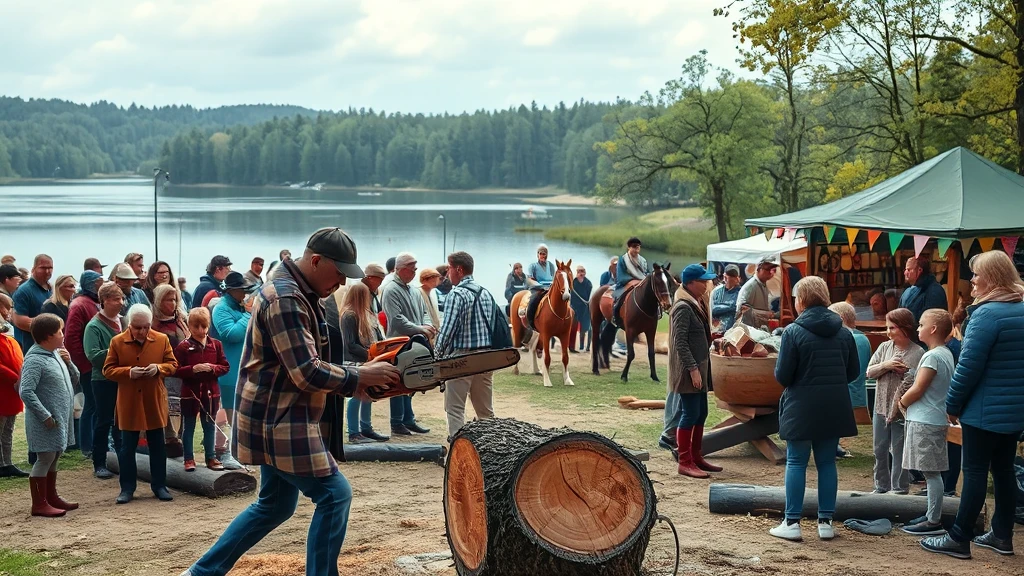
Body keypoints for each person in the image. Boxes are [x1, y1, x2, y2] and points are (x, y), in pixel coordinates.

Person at [180, 228, 400, 576]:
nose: (343, 282)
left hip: (276, 415)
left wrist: (357, 380)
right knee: (334, 495)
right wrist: (359, 377)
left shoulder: (298, 290)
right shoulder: (286, 298)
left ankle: (201, 573)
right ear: (316, 261)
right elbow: (306, 372)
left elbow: (307, 363)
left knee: (274, 505)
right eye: (339, 272)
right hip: (278, 419)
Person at [922, 251, 1024, 559]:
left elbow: (968, 367)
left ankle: (959, 537)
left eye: (977, 274)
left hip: (983, 409)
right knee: (1004, 471)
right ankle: (1002, 536)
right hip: (1015, 409)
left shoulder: (986, 315)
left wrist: (952, 403)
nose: (973, 281)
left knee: (975, 471)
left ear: (992, 278)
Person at [769, 277, 860, 542]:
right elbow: (853, 371)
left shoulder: (793, 332)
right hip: (834, 404)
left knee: (796, 461)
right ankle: (826, 523)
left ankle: (792, 522)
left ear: (802, 300)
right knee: (827, 462)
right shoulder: (844, 332)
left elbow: (783, 376)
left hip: (802, 405)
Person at [102, 303, 179, 504]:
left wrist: (159, 369)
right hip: (129, 401)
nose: (143, 331)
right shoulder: (117, 342)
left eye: (146, 327)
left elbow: (172, 365)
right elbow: (107, 370)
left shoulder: (161, 339)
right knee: (127, 447)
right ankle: (127, 488)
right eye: (137, 327)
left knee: (158, 446)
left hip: (154, 399)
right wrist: (129, 372)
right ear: (129, 324)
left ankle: (160, 486)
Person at [898, 309, 956, 536]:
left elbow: (919, 387)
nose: (918, 328)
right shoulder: (946, 353)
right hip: (933, 418)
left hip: (926, 420)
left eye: (921, 324)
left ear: (933, 329)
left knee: (931, 472)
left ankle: (933, 521)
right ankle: (932, 514)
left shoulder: (932, 356)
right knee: (930, 471)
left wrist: (902, 402)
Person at [20, 313, 80, 517]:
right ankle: (39, 504)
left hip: (59, 419)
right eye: (59, 331)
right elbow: (26, 391)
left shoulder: (55, 354)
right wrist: (45, 416)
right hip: (45, 421)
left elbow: (74, 379)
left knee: (55, 455)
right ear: (48, 336)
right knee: (45, 457)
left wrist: (69, 363)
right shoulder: (35, 360)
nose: (63, 335)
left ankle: (51, 497)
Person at [435, 251, 499, 440]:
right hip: (486, 358)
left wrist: (436, 357)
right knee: (485, 411)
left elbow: (447, 331)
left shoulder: (456, 294)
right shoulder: (486, 292)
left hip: (461, 360)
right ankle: (492, 447)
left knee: (455, 409)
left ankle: (458, 449)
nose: (447, 274)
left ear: (459, 270)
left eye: (449, 269)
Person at [664, 264, 720, 478]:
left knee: (701, 412)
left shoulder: (697, 302)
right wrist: (693, 369)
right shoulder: (683, 307)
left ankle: (696, 456)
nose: (707, 284)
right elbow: (680, 342)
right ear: (690, 283)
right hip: (689, 370)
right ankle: (685, 461)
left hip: (700, 366)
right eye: (702, 281)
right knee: (689, 414)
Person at [866, 308, 924, 495]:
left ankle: (899, 488)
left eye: (892, 328)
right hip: (880, 407)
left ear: (905, 328)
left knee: (899, 450)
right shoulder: (884, 347)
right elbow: (869, 372)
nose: (888, 332)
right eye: (887, 327)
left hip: (902, 410)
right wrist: (886, 365)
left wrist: (904, 373)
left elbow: (918, 381)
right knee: (879, 449)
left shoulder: (918, 352)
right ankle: (881, 486)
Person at [380, 252, 433, 436]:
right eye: (412, 269)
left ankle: (408, 419)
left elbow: (425, 312)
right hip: (399, 344)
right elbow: (396, 320)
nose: (414, 272)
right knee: (398, 382)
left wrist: (427, 326)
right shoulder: (391, 290)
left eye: (415, 269)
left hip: (415, 343)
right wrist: (421, 329)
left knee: (411, 380)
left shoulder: (414, 290)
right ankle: (397, 422)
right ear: (400, 269)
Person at [174, 308, 229, 472]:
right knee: (189, 426)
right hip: (190, 393)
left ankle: (210, 457)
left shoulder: (216, 344)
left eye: (204, 326)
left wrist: (213, 368)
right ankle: (188, 459)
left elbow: (225, 367)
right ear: (189, 326)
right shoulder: (183, 347)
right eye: (196, 326)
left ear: (208, 326)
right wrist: (193, 369)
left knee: (209, 425)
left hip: (211, 393)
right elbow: (175, 370)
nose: (200, 330)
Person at [212, 271, 257, 470]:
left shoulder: (238, 306)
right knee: (230, 415)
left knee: (241, 415)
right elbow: (231, 334)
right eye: (242, 290)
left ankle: (238, 453)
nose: (245, 294)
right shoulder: (221, 309)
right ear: (231, 290)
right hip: (228, 373)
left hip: (243, 369)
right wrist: (248, 314)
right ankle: (225, 453)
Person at [332, 281, 387, 443]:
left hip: (366, 360)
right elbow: (350, 344)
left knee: (368, 394)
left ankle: (366, 428)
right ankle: (354, 432)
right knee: (356, 396)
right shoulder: (349, 315)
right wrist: (369, 354)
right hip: (354, 361)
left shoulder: (366, 314)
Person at [83, 282, 124, 479]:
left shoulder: (123, 321)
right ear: (105, 300)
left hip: (123, 379)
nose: (121, 302)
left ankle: (122, 459)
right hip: (103, 379)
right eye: (116, 299)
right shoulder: (94, 327)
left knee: (122, 421)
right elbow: (94, 356)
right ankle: (99, 462)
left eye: (122, 298)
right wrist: (120, 350)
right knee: (104, 421)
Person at [152, 283, 191, 457]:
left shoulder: (182, 320)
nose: (173, 303)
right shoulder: (152, 324)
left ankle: (179, 441)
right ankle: (168, 441)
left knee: (181, 408)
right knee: (167, 408)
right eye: (168, 300)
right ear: (159, 301)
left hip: (183, 372)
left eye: (175, 299)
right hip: (164, 373)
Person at [0, 293, 28, 478]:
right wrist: (14, 377)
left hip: (12, 390)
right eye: (7, 307)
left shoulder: (8, 336)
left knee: (8, 428)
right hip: (3, 389)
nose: (10, 311)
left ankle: (7, 462)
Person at [11, 254, 54, 353]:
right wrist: (52, 327)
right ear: (33, 269)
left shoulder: (51, 289)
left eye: (50, 268)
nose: (47, 271)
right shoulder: (24, 291)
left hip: (48, 348)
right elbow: (19, 321)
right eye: (43, 268)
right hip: (29, 349)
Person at [900, 257, 948, 323]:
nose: (905, 273)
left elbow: (933, 322)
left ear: (919, 270)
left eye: (908, 270)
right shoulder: (907, 291)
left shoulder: (935, 291)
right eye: (905, 270)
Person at [736, 257, 777, 328]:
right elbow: (743, 310)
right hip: (748, 329)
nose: (771, 272)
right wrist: (766, 314)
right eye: (768, 269)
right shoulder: (751, 286)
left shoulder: (763, 285)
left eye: (773, 270)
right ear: (759, 269)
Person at [711, 265, 742, 332]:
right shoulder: (717, 291)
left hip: (733, 331)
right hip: (715, 330)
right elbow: (712, 309)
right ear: (724, 277)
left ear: (738, 278)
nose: (732, 279)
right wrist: (732, 307)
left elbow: (739, 311)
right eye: (728, 277)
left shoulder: (741, 292)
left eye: (734, 277)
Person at [569, 265, 593, 353]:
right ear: (576, 272)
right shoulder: (573, 282)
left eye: (582, 271)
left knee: (585, 328)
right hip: (574, 307)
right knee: (573, 327)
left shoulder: (588, 283)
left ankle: (583, 346)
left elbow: (589, 296)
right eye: (579, 271)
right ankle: (571, 346)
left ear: (585, 272)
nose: (581, 273)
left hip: (585, 307)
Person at [419, 267, 442, 334]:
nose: (436, 281)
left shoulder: (433, 292)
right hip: (425, 329)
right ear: (425, 280)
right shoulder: (418, 292)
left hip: (435, 329)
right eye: (433, 278)